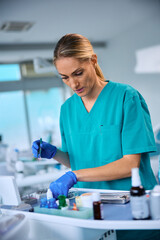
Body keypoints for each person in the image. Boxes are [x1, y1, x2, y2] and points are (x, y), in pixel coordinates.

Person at [32, 34, 160, 240]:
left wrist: (75, 176)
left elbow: (131, 164)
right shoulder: (67, 110)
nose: (73, 84)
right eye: (64, 77)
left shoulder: (126, 97)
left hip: (134, 209)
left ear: (93, 60)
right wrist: (55, 153)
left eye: (78, 73)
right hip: (91, 211)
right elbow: (76, 162)